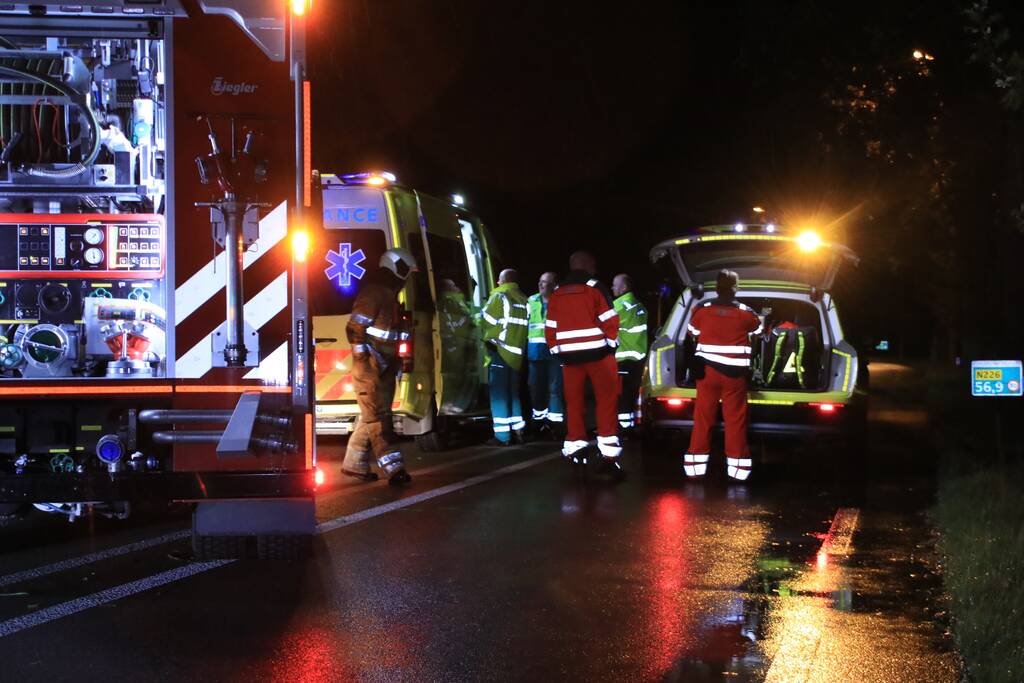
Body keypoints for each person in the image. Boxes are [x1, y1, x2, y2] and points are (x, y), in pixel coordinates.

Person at [341, 248, 418, 486]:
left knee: (371, 416)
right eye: (406, 271)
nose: (408, 277)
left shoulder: (390, 296)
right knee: (379, 420)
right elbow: (355, 328)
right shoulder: (374, 293)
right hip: (370, 368)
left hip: (383, 367)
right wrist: (362, 358)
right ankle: (394, 469)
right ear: (395, 267)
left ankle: (354, 465)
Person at [545, 251, 624, 478]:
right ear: (588, 265)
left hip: (570, 359)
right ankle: (608, 455)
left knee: (574, 404)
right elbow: (610, 320)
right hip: (598, 356)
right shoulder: (595, 286)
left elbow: (550, 326)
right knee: (606, 402)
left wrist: (557, 351)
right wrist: (610, 345)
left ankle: (576, 449)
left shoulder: (557, 292)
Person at [683, 269, 763, 482]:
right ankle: (737, 472)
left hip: (707, 374)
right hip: (734, 376)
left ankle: (695, 469)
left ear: (716, 287)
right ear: (735, 288)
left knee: (703, 419)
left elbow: (692, 332)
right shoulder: (747, 313)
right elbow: (758, 332)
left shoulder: (702, 310)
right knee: (735, 420)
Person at [481, 268, 530, 445]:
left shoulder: (500, 297)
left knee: (499, 395)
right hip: (517, 354)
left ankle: (502, 436)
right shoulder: (525, 299)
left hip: (500, 351)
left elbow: (485, 320)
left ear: (501, 281)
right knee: (513, 393)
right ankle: (518, 430)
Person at [526, 271, 564, 438]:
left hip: (555, 352)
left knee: (555, 389)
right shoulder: (531, 300)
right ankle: (539, 424)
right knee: (536, 389)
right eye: (540, 281)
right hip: (535, 353)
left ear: (554, 285)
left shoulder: (561, 302)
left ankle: (555, 425)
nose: (541, 284)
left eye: (545, 282)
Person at [611, 273, 648, 432]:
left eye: (615, 285)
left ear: (624, 287)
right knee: (631, 394)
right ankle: (630, 425)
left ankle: (623, 428)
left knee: (622, 396)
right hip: (638, 358)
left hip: (623, 357)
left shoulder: (619, 307)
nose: (612, 288)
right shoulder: (640, 306)